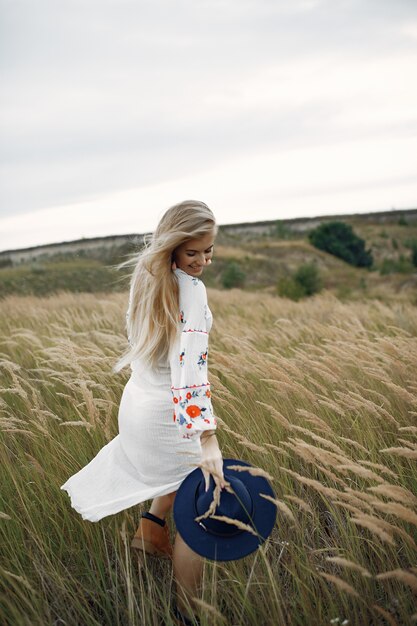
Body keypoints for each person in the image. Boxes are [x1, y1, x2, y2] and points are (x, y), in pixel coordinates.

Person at [60, 199, 225, 625]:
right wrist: (207, 437)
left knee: (175, 476)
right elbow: (189, 374)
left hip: (137, 403)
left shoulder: (146, 275)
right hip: (167, 412)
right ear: (171, 246)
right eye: (193, 253)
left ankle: (151, 528)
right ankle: (187, 615)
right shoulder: (190, 289)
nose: (203, 261)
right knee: (199, 512)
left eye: (209, 251)